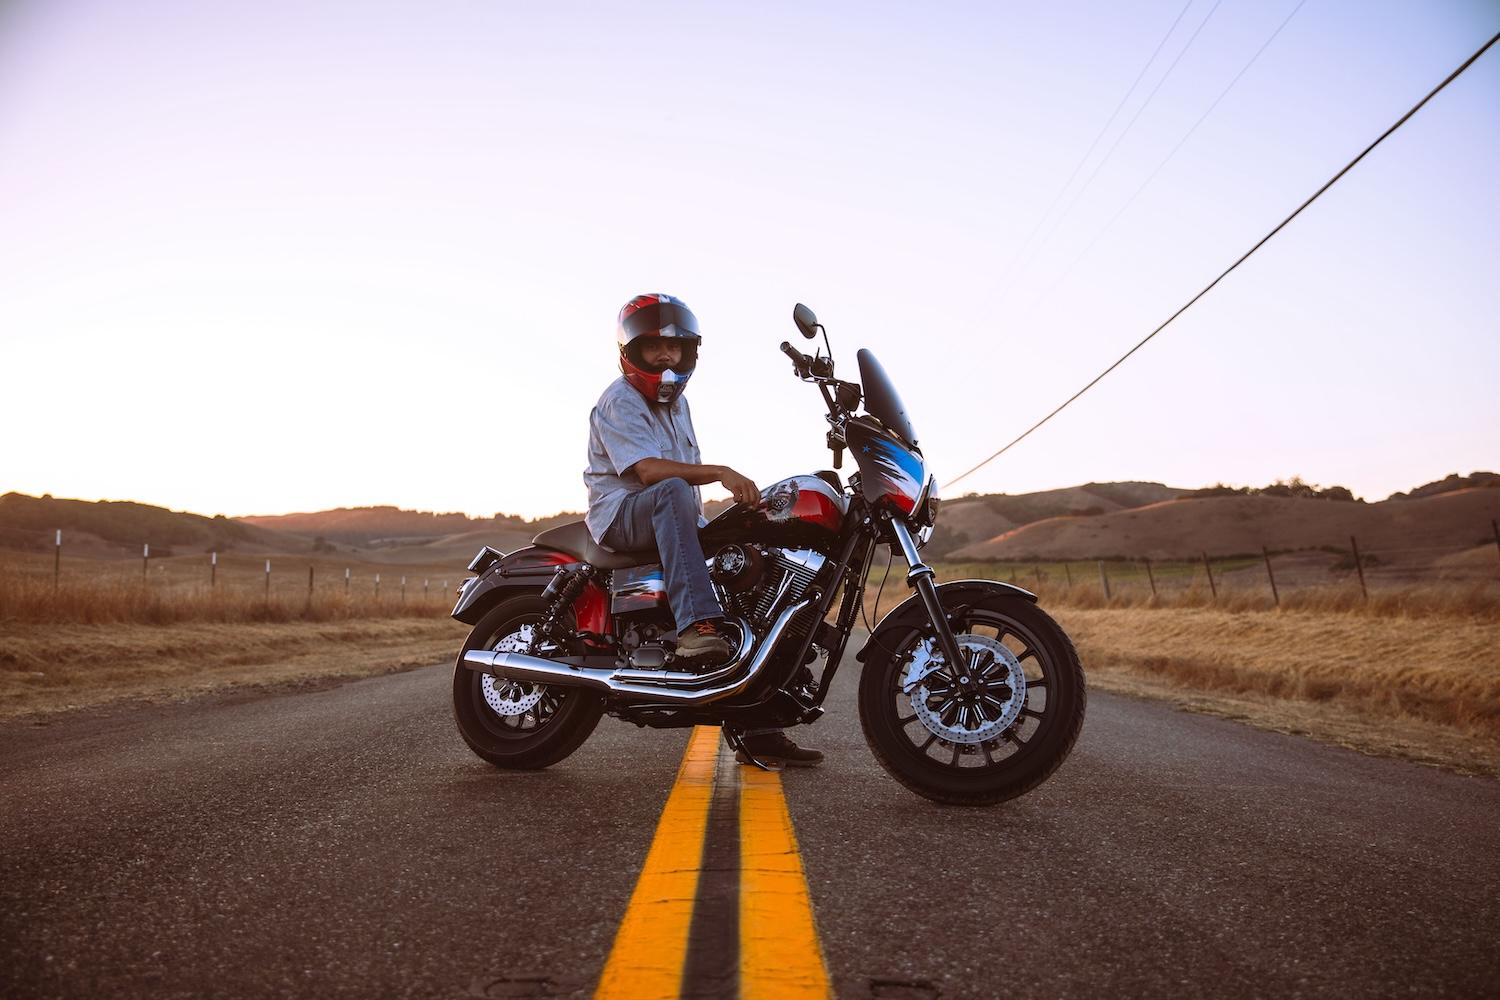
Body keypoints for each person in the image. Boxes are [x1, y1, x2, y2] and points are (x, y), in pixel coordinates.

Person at [584, 293, 822, 768]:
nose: (667, 357)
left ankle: (761, 725)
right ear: (632, 350)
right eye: (655, 347)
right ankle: (695, 628)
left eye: (676, 348)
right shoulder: (620, 399)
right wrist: (720, 472)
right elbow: (651, 473)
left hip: (670, 516)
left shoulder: (680, 404)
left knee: (754, 564)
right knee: (671, 487)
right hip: (621, 516)